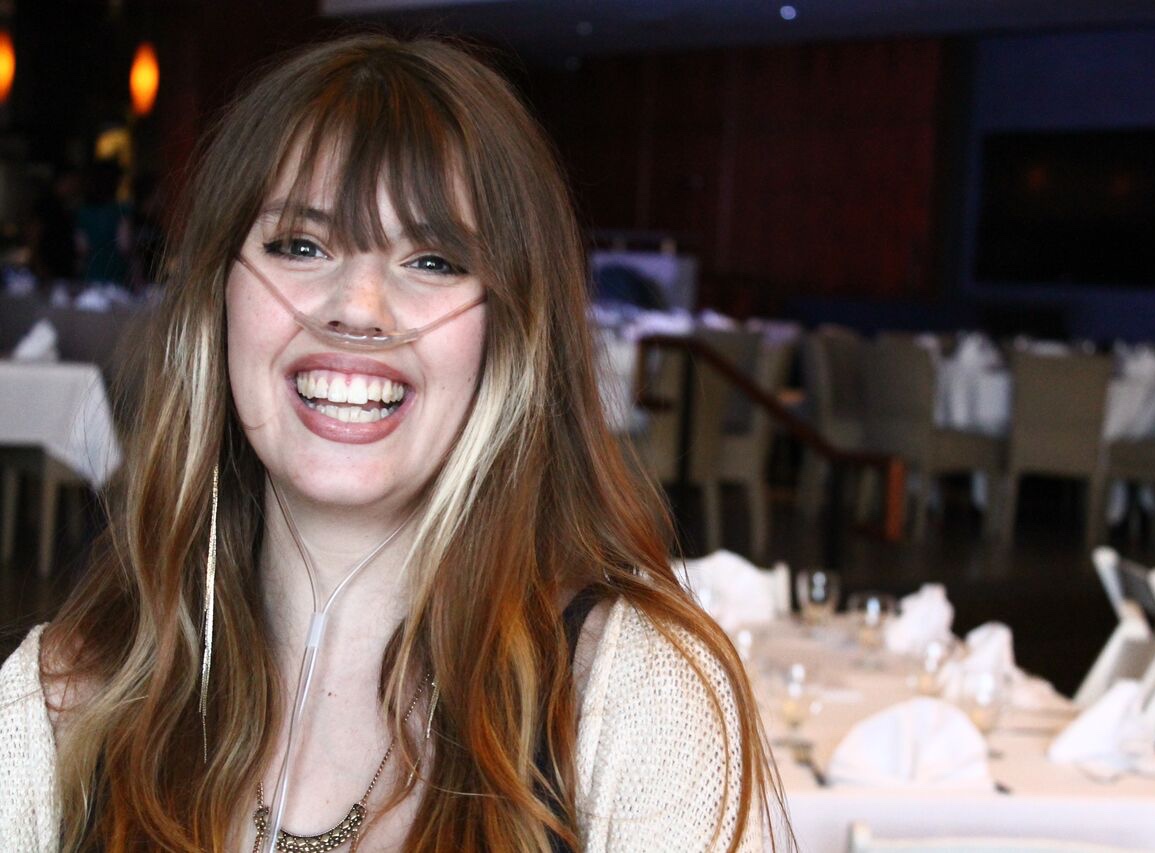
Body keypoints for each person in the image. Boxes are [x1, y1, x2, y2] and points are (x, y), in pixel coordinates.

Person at [0, 35, 787, 852]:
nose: (357, 307)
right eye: (300, 245)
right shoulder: (59, 701)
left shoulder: (634, 699)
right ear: (217, 300)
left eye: (433, 258)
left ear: (511, 331)